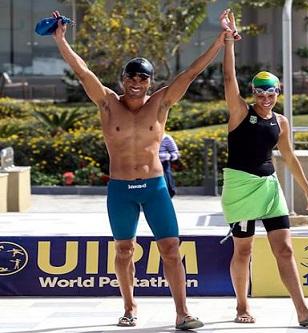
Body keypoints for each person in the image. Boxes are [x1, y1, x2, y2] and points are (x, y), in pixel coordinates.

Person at [50, 10, 227, 329]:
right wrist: (61, 40)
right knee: (124, 250)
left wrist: (220, 39)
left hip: (155, 187)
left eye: (142, 78)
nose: (136, 83)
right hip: (121, 190)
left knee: (171, 249)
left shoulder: (160, 104)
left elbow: (190, 73)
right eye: (130, 77)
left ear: (150, 81)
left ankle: (182, 313)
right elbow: (82, 70)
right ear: (122, 79)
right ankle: (130, 309)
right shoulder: (107, 103)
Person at [220, 9, 308, 327]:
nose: (266, 97)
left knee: (284, 249)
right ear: (253, 93)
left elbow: (290, 158)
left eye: (271, 92)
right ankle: (242, 305)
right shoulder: (240, 112)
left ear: (278, 92)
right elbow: (229, 79)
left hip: (269, 188)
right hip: (241, 187)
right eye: (260, 91)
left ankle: (302, 309)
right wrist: (229, 40)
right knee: (243, 250)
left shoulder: (280, 122)